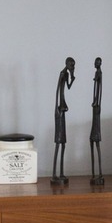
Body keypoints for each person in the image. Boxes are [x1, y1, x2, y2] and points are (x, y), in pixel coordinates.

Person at [51, 56, 75, 184]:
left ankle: (61, 172)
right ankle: (54, 173)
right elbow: (57, 91)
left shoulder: (66, 74)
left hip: (63, 108)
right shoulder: (61, 73)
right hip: (59, 110)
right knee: (58, 142)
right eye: (72, 65)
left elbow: (68, 87)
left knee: (63, 142)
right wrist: (57, 109)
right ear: (67, 64)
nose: (73, 67)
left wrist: (72, 77)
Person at [90, 56, 104, 186]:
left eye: (97, 62)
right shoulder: (96, 73)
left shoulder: (99, 73)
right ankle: (95, 173)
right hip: (95, 106)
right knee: (92, 141)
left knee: (96, 141)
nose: (95, 64)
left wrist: (97, 103)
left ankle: (99, 173)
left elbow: (99, 90)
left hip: (96, 108)